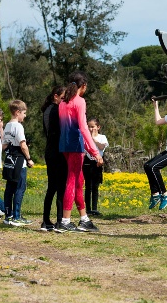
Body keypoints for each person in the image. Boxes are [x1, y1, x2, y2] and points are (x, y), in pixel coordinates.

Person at [58, 71, 103, 232]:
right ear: (83, 86)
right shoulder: (80, 101)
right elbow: (84, 128)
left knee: (78, 181)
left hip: (64, 145)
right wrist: (95, 152)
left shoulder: (63, 103)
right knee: (72, 181)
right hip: (76, 146)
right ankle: (65, 220)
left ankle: (84, 218)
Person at [2, 100, 34, 227]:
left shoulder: (8, 126)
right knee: (20, 188)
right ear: (17, 112)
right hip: (19, 161)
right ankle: (16, 216)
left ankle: (8, 216)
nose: (25, 116)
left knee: (9, 188)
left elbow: (4, 146)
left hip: (9, 160)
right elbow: (23, 145)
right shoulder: (18, 126)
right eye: (24, 113)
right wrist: (29, 158)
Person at [40, 86, 67, 231]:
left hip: (50, 152)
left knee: (52, 187)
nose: (64, 102)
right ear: (55, 96)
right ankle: (59, 221)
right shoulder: (56, 110)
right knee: (60, 187)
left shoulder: (47, 110)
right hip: (57, 152)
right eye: (63, 98)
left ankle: (46, 220)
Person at [83, 117, 108, 216]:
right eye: (88, 127)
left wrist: (93, 138)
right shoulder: (84, 137)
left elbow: (102, 147)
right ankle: (87, 209)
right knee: (88, 186)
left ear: (98, 127)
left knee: (95, 186)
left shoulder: (102, 137)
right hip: (87, 162)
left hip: (97, 163)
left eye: (92, 127)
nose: (90, 129)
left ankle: (94, 208)